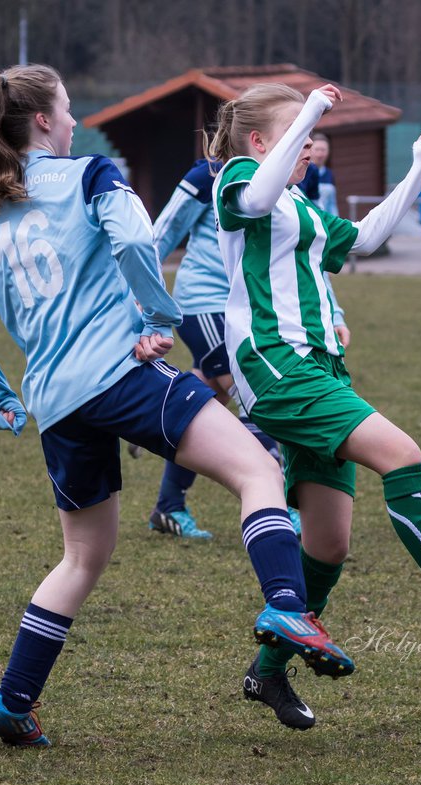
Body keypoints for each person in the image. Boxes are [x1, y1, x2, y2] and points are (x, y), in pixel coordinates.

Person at [0, 64, 353, 746]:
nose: (77, 122)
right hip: (122, 374)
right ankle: (287, 605)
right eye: (69, 110)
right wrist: (157, 317)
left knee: (82, 557)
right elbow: (137, 241)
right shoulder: (92, 174)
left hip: (55, 401)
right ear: (43, 120)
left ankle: (13, 702)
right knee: (256, 471)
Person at [206, 82, 421, 709]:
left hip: (323, 369)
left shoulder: (298, 206)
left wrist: (419, 171)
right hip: (276, 367)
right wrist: (310, 105)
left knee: (329, 545)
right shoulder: (239, 181)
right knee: (403, 455)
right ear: (259, 140)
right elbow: (255, 193)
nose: (310, 147)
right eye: (298, 137)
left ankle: (266, 671)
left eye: (310, 137)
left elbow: (364, 238)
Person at [144, 157, 349, 541]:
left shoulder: (287, 182)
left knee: (206, 398)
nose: (300, 143)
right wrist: (141, 293)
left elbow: (308, 255)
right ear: (254, 134)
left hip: (253, 313)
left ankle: (168, 502)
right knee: (258, 399)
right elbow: (161, 234)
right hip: (205, 304)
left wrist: (334, 312)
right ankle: (280, 504)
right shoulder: (207, 176)